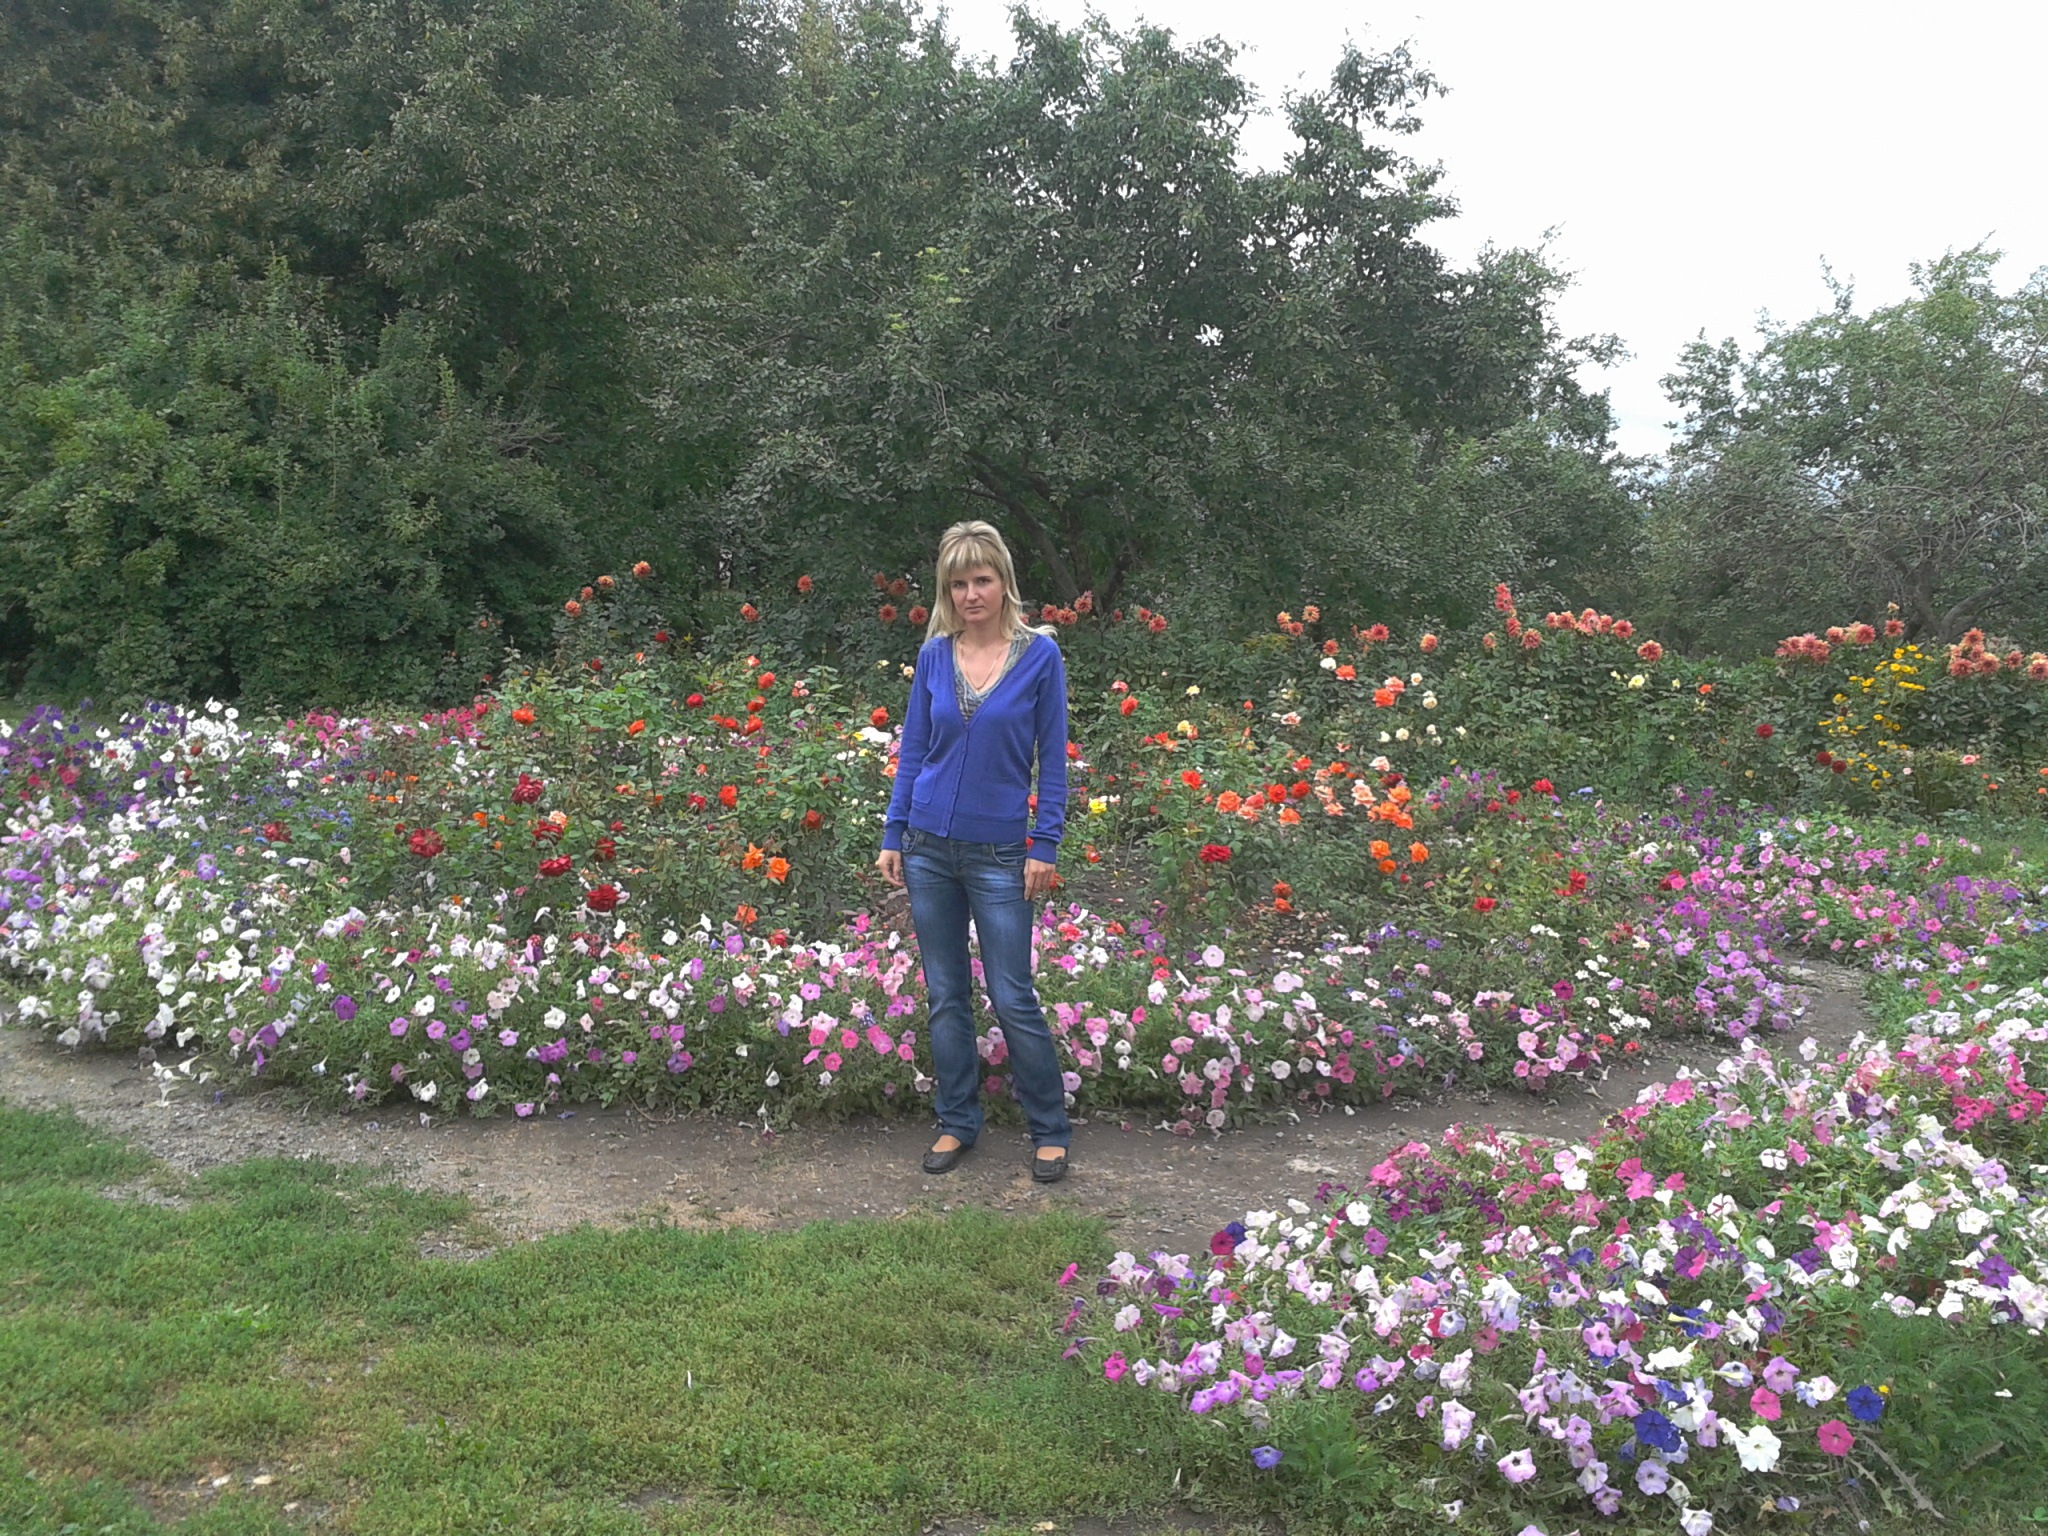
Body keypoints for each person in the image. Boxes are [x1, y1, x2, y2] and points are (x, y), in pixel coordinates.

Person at [875, 521, 1072, 1183]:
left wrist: (1045, 842)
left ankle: (1050, 1129)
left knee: (1012, 995)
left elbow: (1053, 760)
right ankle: (957, 1121)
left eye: (982, 579)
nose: (971, 594)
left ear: (1004, 581)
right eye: (958, 583)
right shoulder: (936, 655)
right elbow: (913, 751)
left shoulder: (1040, 657)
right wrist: (894, 832)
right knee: (946, 995)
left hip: (1000, 852)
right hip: (928, 847)